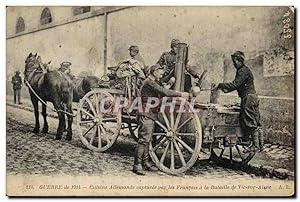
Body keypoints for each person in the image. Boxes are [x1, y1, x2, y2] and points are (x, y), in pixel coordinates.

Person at [133, 64, 190, 175]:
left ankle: (145, 163)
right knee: (143, 140)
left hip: (150, 113)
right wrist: (181, 94)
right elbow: (164, 92)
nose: (161, 74)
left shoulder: (153, 82)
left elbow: (163, 92)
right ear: (154, 72)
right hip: (146, 113)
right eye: (160, 72)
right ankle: (137, 165)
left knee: (147, 140)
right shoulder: (149, 82)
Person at [215, 51, 264, 152]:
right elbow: (238, 85)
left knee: (249, 121)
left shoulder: (242, 71)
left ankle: (255, 145)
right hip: (252, 97)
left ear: (239, 61)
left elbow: (235, 84)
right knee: (256, 121)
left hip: (248, 98)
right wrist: (226, 89)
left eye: (234, 61)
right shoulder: (244, 70)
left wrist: (221, 85)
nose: (234, 64)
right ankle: (260, 145)